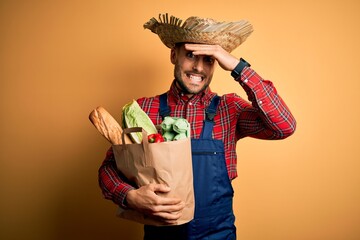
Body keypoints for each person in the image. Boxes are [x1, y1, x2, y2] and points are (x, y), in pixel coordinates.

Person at [98, 13, 296, 240]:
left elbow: (284, 126)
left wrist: (237, 66)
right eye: (191, 55)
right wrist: (129, 196)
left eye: (209, 59)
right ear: (174, 55)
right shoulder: (144, 110)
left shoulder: (228, 109)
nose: (198, 68)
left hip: (218, 234)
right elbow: (109, 169)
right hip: (161, 234)